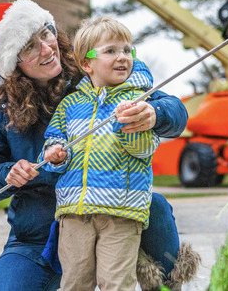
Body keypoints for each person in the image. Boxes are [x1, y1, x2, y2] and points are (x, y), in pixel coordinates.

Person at [0, 0, 200, 291]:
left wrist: (155, 114)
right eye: (29, 47)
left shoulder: (95, 69)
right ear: (12, 64)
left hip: (112, 212)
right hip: (39, 234)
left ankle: (166, 285)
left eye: (46, 33)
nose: (47, 48)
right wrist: (8, 173)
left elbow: (175, 111)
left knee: (153, 206)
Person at [41, 17, 159, 291]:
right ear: (86, 63)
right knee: (74, 283)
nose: (123, 57)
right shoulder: (70, 104)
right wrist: (54, 155)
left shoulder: (139, 101)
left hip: (121, 211)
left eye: (128, 50)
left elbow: (145, 150)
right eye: (111, 51)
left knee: (116, 283)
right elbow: (52, 143)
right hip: (74, 213)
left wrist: (126, 125)